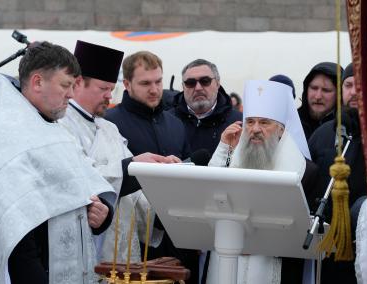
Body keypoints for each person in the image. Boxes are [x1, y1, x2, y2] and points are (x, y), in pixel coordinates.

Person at [0, 42, 116, 284]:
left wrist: (103, 213)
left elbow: (82, 186)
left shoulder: (52, 129)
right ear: (38, 82)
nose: (71, 94)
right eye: (65, 85)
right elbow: (18, 239)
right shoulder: (7, 141)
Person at [59, 41, 174, 264]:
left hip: (120, 257)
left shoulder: (110, 129)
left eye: (112, 89)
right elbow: (75, 179)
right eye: (103, 89)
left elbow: (135, 195)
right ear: (79, 82)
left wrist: (164, 203)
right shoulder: (61, 125)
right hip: (83, 250)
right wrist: (132, 167)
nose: (109, 96)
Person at [206, 80, 318, 284]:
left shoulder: (305, 172)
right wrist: (224, 148)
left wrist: (256, 244)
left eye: (265, 122)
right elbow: (209, 199)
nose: (255, 129)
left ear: (281, 130)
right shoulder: (230, 157)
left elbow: (301, 233)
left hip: (276, 267)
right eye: (250, 122)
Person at [104, 51, 199, 284]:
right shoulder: (109, 123)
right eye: (145, 83)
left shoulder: (175, 124)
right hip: (131, 241)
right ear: (126, 84)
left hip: (177, 241)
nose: (155, 89)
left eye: (158, 81)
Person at [308, 63, 367, 284]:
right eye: (348, 85)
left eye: (360, 85)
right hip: (327, 246)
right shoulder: (324, 133)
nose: (353, 91)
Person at [169, 59, 242, 156]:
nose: (198, 88)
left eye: (205, 81)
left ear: (217, 83)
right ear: (183, 86)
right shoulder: (167, 122)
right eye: (190, 83)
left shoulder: (240, 123)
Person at [298, 62, 343, 140]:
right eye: (314, 88)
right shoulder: (289, 126)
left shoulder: (348, 131)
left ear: (339, 95)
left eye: (326, 90)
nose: (318, 96)